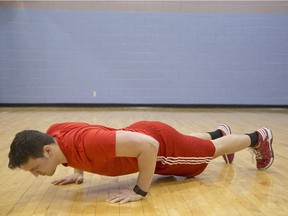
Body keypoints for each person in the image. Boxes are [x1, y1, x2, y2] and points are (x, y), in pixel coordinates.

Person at [8, 121, 274, 204]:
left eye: (34, 169)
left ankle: (257, 138)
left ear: (47, 150)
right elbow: (77, 140)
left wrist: (139, 190)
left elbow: (150, 147)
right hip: (144, 135)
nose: (36, 175)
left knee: (207, 153)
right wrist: (79, 173)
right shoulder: (55, 134)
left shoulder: (89, 142)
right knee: (195, 144)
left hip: (158, 147)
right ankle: (221, 133)